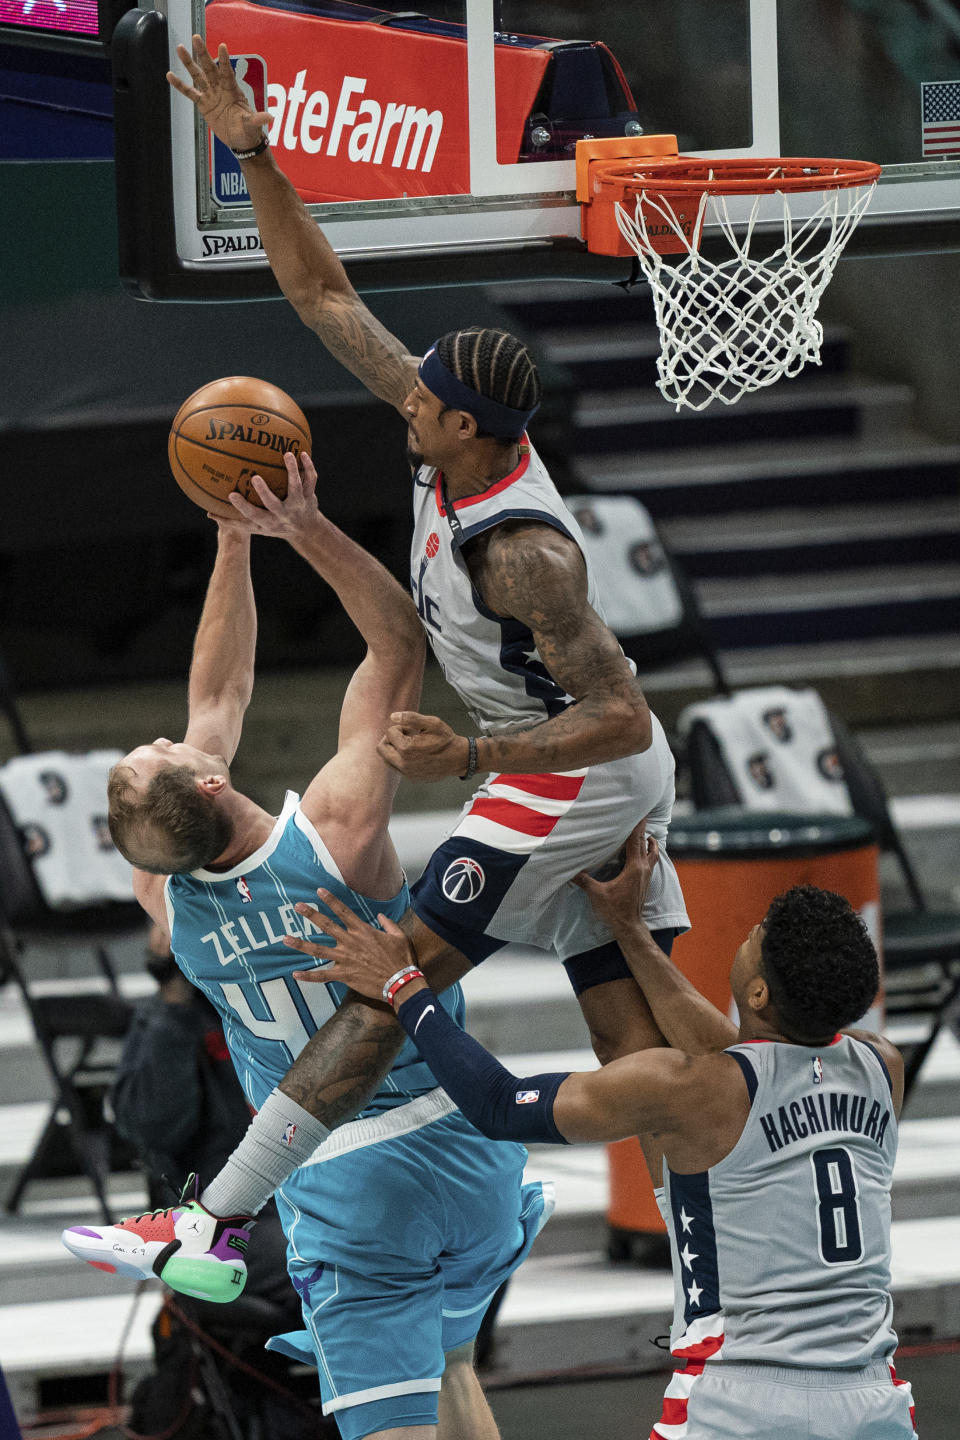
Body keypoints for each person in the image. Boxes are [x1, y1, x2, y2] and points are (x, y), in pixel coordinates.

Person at [126, 33, 689, 1237]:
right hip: (550, 760)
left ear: (480, 435)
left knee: (386, 983)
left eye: (426, 404)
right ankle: (715, 1232)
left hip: (568, 767)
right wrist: (257, 153)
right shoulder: (448, 421)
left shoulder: (529, 556)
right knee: (635, 1042)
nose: (407, 403)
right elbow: (322, 292)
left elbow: (628, 713)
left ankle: (217, 1213)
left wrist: (471, 763)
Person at [63, 459, 552, 1440]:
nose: (174, 733)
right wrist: (305, 524)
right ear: (204, 786)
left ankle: (207, 1222)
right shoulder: (338, 827)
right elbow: (394, 640)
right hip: (463, 1144)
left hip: (346, 1179)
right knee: (456, 1377)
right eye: (163, 748)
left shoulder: (164, 895)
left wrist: (232, 541)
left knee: (400, 1415)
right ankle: (210, 1223)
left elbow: (217, 696)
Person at [283, 827, 916, 1440]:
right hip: (872, 1400)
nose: (749, 935)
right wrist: (632, 934)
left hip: (745, 1400)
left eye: (756, 937)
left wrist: (404, 985)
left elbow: (500, 1105)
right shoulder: (879, 1064)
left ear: (756, 990)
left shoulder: (693, 1090)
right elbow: (748, 1060)